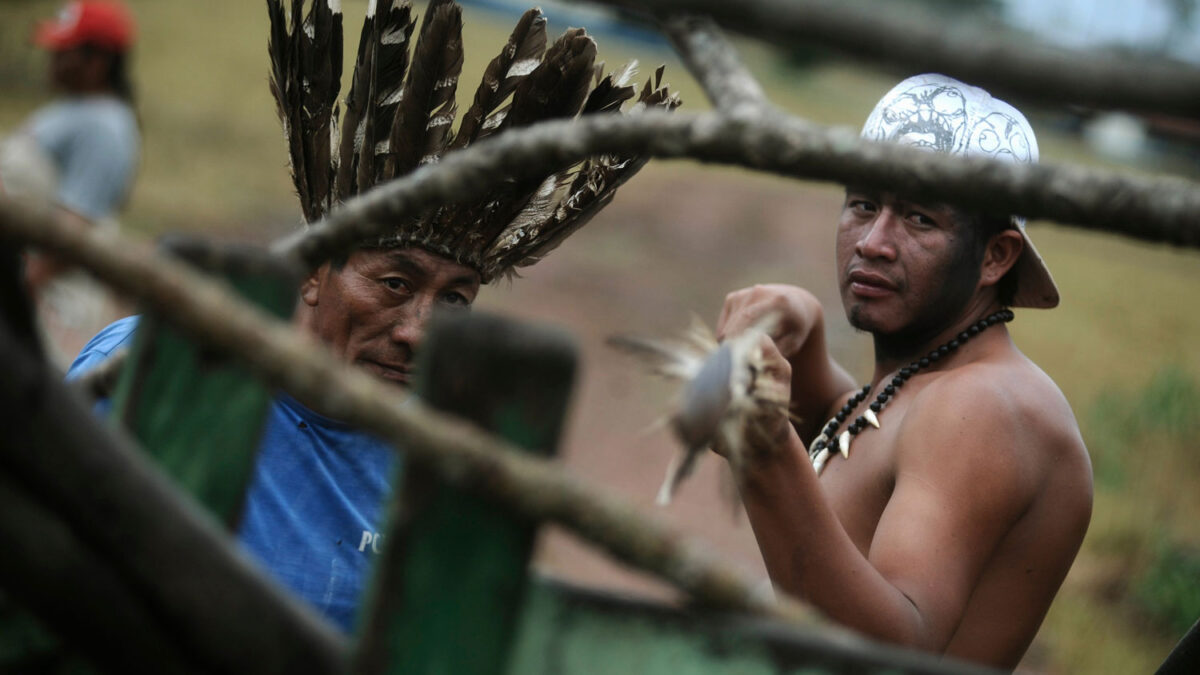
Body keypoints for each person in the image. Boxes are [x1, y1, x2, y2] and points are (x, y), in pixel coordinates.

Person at [66, 0, 677, 631]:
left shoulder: (446, 461)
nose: (418, 332)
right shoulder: (159, 369)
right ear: (311, 271)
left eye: (455, 300)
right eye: (393, 282)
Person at [714, 74, 1092, 669]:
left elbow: (890, 653)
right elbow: (869, 454)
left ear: (996, 256)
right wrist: (807, 334)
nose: (874, 242)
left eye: (919, 219)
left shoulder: (984, 408)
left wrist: (762, 446)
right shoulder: (936, 381)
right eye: (864, 204)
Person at [2, 0, 140, 367]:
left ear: (98, 62)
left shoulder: (105, 127)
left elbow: (74, 230)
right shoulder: (72, 111)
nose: (52, 59)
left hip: (53, 305)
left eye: (64, 52)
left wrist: (18, 292)